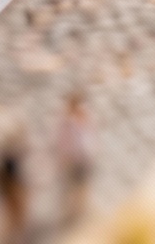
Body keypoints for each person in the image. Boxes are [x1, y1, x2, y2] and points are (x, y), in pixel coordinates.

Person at [56, 93, 94, 225]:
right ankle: (74, 214)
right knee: (74, 186)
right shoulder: (68, 122)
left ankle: (79, 213)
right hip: (74, 159)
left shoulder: (82, 119)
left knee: (82, 185)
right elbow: (64, 141)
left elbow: (88, 136)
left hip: (83, 157)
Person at [0, 136, 27, 242]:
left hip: (11, 191)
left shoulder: (6, 162)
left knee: (15, 219)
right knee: (16, 219)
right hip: (12, 191)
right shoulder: (8, 162)